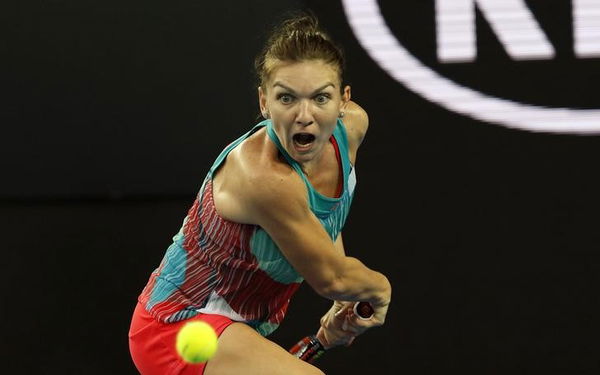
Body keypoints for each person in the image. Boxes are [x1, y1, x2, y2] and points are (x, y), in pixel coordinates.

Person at [128, 12, 392, 375]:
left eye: (321, 98)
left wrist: (344, 300)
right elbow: (331, 277)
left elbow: (325, 225)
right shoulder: (263, 178)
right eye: (287, 99)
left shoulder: (352, 130)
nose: (305, 115)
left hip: (239, 331)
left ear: (344, 101)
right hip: (177, 328)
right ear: (264, 102)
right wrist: (378, 289)